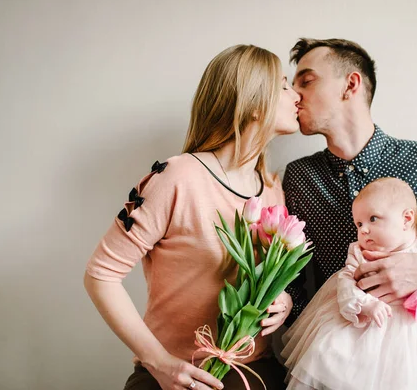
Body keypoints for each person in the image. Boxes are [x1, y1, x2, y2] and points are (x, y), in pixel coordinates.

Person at [283, 38, 417, 389]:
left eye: (306, 81)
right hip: (338, 377)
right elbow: (295, 285)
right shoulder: (300, 178)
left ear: (351, 85)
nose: (294, 94)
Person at [84, 44, 300, 390]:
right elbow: (100, 276)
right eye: (285, 86)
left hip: (257, 375)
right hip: (174, 378)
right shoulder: (177, 177)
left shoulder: (272, 188)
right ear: (254, 102)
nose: (296, 96)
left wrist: (283, 299)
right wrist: (160, 362)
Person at [282, 178, 417, 390]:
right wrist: (366, 304)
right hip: (360, 337)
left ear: (406, 219)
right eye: (358, 224)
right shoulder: (361, 253)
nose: (363, 230)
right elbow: (345, 284)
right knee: (327, 359)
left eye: (372, 219)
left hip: (408, 346)